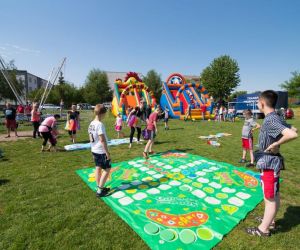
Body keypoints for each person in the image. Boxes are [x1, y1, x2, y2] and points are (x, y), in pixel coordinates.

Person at [246, 90, 298, 237]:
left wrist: (276, 143)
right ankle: (271, 221)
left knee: (270, 198)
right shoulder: (276, 117)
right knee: (273, 195)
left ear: (262, 103)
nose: (257, 104)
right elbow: (293, 128)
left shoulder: (270, 120)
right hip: (269, 162)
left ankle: (263, 229)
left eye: (257, 102)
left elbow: (292, 134)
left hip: (269, 163)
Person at [88, 104, 111, 197]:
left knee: (98, 168)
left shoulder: (91, 123)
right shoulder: (99, 124)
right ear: (102, 113)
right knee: (107, 169)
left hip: (94, 149)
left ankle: (99, 187)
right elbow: (102, 140)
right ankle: (100, 191)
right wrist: (107, 152)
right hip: (101, 151)